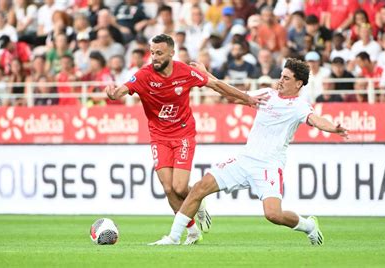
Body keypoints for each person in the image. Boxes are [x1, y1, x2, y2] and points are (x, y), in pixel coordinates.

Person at [149, 58, 349, 246]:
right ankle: (174, 237)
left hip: (268, 166)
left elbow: (315, 120)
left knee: (274, 215)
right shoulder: (267, 94)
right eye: (281, 76)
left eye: (286, 78)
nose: (281, 81)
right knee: (199, 188)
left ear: (298, 84)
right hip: (244, 160)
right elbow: (234, 94)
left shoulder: (298, 106)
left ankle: (309, 226)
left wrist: (333, 128)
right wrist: (207, 74)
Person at [106, 34, 266, 245]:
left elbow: (217, 85)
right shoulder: (144, 75)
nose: (155, 57)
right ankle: (191, 232)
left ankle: (198, 203)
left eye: (160, 53)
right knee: (168, 188)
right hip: (159, 136)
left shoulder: (186, 72)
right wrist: (112, 94)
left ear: (172, 53)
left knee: (180, 188)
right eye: (152, 53)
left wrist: (247, 99)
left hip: (182, 135)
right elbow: (121, 92)